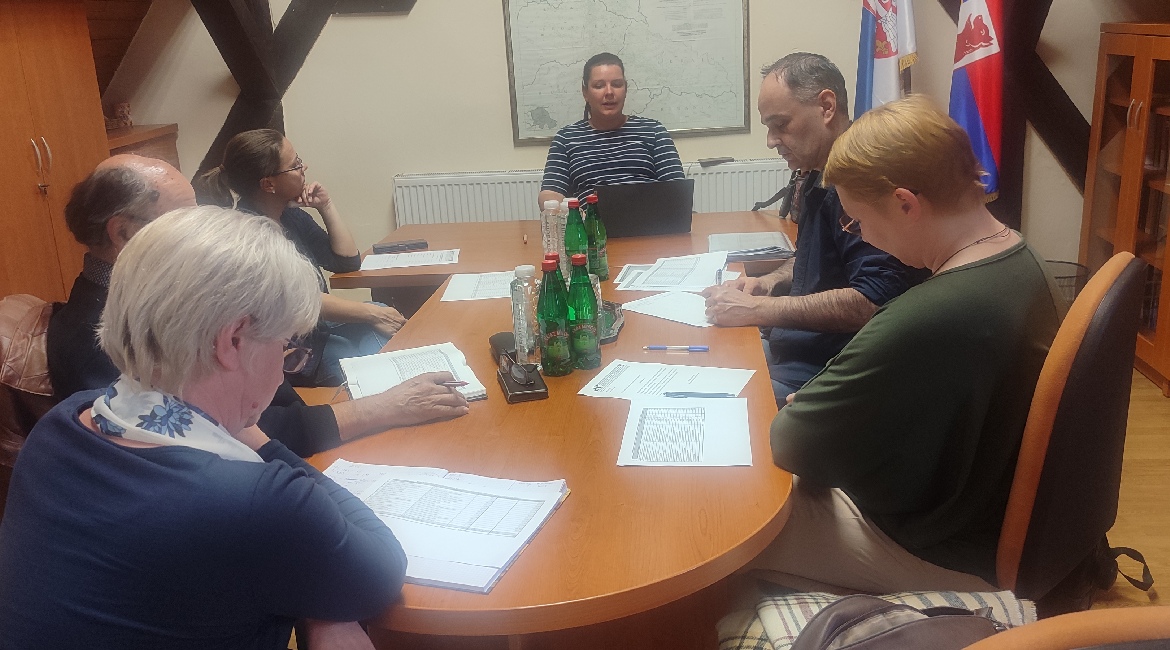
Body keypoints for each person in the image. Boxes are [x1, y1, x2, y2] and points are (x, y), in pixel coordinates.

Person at [0, 206, 410, 648]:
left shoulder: (63, 423)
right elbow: (381, 570)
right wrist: (264, 444)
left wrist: (305, 577)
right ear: (232, 340)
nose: (281, 372)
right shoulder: (254, 501)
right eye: (286, 347)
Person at [745, 95, 1066, 595]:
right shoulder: (1022, 258)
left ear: (905, 204)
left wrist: (813, 411)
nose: (860, 235)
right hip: (988, 520)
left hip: (945, 551)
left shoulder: (931, 314)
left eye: (857, 221)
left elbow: (790, 441)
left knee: (729, 520)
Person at [49, 156, 469, 457]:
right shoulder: (98, 334)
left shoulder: (167, 294)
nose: (202, 230)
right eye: (185, 219)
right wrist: (385, 408)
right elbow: (232, 433)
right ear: (123, 233)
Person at [701, 53, 927, 403]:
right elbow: (811, 257)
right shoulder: (817, 172)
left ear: (826, 107)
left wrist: (758, 310)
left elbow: (875, 300)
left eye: (780, 124)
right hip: (796, 347)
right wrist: (767, 283)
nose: (771, 140)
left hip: (826, 369)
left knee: (707, 399)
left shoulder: (863, 181)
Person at [195, 129, 404, 387]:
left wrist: (326, 206)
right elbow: (296, 298)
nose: (303, 168)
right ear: (268, 184)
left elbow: (346, 262)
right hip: (294, 350)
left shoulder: (291, 217)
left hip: (318, 328)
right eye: (295, 165)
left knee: (383, 317)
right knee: (373, 346)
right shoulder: (246, 237)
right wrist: (370, 313)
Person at [538, 52, 685, 206]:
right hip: (590, 219)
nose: (609, 92)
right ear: (585, 92)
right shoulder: (566, 139)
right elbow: (550, 192)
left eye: (616, 84)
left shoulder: (654, 132)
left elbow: (677, 190)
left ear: (625, 89)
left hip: (648, 219)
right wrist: (558, 209)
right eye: (599, 86)